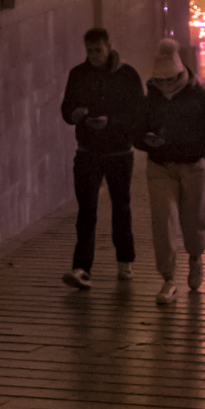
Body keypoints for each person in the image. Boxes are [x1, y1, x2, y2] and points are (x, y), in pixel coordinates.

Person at [59, 25, 144, 290]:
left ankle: (125, 261)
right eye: (89, 50)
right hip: (88, 152)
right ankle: (82, 267)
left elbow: (138, 113)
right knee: (86, 211)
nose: (93, 55)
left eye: (98, 49)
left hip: (119, 152)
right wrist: (74, 115)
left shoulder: (127, 75)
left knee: (121, 208)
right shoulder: (78, 74)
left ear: (108, 47)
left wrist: (111, 122)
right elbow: (66, 108)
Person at [140, 38, 205, 305]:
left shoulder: (198, 96)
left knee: (193, 220)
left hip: (192, 166)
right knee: (163, 221)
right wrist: (145, 140)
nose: (165, 86)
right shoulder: (150, 97)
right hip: (160, 165)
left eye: (169, 80)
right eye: (160, 81)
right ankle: (168, 278)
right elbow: (136, 129)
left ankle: (195, 256)